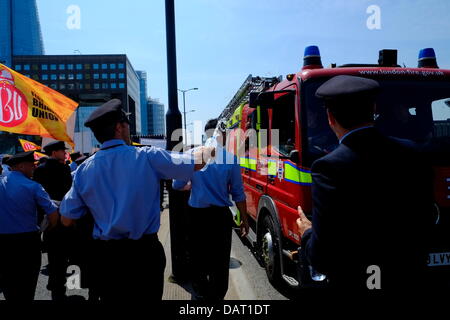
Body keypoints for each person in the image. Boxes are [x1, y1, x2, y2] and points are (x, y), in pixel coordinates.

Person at [59, 99, 214, 301]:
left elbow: (66, 219)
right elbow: (197, 162)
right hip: (144, 255)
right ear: (119, 127)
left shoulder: (83, 171)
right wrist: (212, 146)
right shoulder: (147, 156)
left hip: (107, 258)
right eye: (127, 124)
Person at [296, 75, 434, 290]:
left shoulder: (329, 167)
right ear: (373, 110)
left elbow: (322, 257)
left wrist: (307, 232)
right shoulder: (413, 152)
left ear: (330, 118)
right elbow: (424, 219)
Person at [173, 118, 249, 300]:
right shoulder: (231, 158)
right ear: (221, 134)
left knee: (197, 256)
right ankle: (217, 295)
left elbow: (177, 184)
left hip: (196, 215)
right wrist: (244, 220)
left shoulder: (193, 155)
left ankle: (200, 293)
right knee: (220, 261)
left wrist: (190, 185)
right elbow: (238, 193)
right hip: (220, 217)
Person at [0, 151, 59, 301]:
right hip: (27, 243)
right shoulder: (33, 186)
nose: (34, 167)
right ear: (21, 166)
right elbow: (53, 215)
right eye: (31, 164)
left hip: (3, 243)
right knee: (27, 287)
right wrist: (47, 229)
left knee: (9, 287)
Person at [33, 140, 74, 301]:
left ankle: (55, 285)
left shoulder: (40, 169)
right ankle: (60, 289)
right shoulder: (63, 168)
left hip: (46, 218)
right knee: (63, 256)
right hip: (63, 215)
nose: (64, 153)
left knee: (53, 255)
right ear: (54, 152)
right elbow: (70, 192)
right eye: (62, 150)